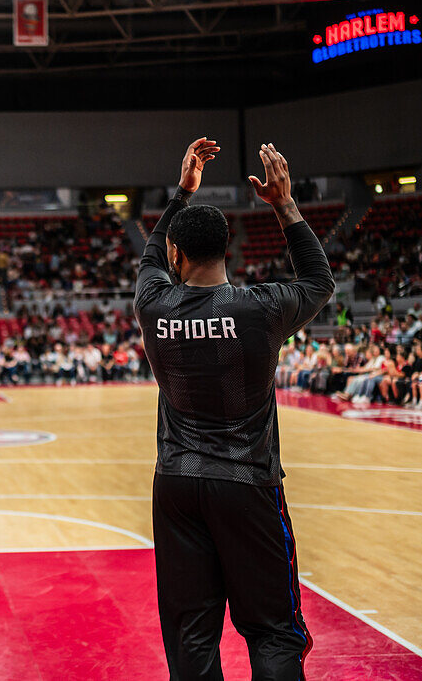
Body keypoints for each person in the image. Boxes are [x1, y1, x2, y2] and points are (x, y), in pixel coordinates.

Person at [134, 139, 334, 680]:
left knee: (190, 631)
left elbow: (149, 257)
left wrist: (181, 194)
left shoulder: (153, 303)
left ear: (177, 254)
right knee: (271, 630)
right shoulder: (262, 308)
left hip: (176, 483)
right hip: (247, 482)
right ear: (230, 249)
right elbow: (320, 282)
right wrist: (285, 206)